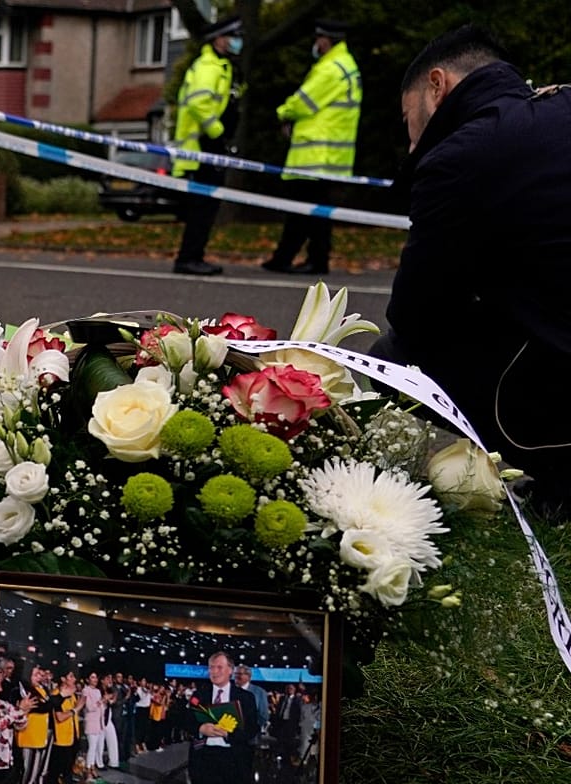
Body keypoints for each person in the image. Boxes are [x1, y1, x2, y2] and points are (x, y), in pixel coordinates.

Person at [371, 25, 571, 506]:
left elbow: (417, 314)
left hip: (557, 375)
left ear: (436, 86)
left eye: (407, 120)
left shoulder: (460, 157)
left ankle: (547, 472)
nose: (412, 141)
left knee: (388, 357)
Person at [262, 19, 363, 276]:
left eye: (319, 39)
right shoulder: (345, 66)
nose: (316, 44)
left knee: (307, 211)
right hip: (329, 154)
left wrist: (282, 112)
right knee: (310, 211)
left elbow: (302, 103)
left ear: (327, 40)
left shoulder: (331, 68)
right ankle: (288, 257)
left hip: (315, 153)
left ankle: (309, 260)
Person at [170, 17, 242, 276]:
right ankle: (189, 258)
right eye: (232, 35)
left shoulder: (220, 66)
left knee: (206, 207)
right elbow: (199, 105)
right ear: (218, 39)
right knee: (202, 208)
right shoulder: (208, 67)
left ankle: (193, 255)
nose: (236, 40)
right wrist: (218, 133)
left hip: (208, 148)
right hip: (201, 149)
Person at [187, 652, 257, 784]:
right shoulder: (198, 694)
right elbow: (183, 717)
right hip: (204, 757)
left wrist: (230, 734)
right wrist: (201, 728)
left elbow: (253, 729)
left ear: (230, 671)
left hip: (232, 759)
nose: (214, 671)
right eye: (211, 667)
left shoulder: (246, 698)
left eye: (219, 667)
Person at [234, 664, 270, 739]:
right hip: (231, 735)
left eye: (240, 674)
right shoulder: (231, 690)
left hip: (250, 736)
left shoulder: (259, 692)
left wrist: (253, 729)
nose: (236, 676)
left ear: (249, 676)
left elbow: (264, 715)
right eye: (235, 674)